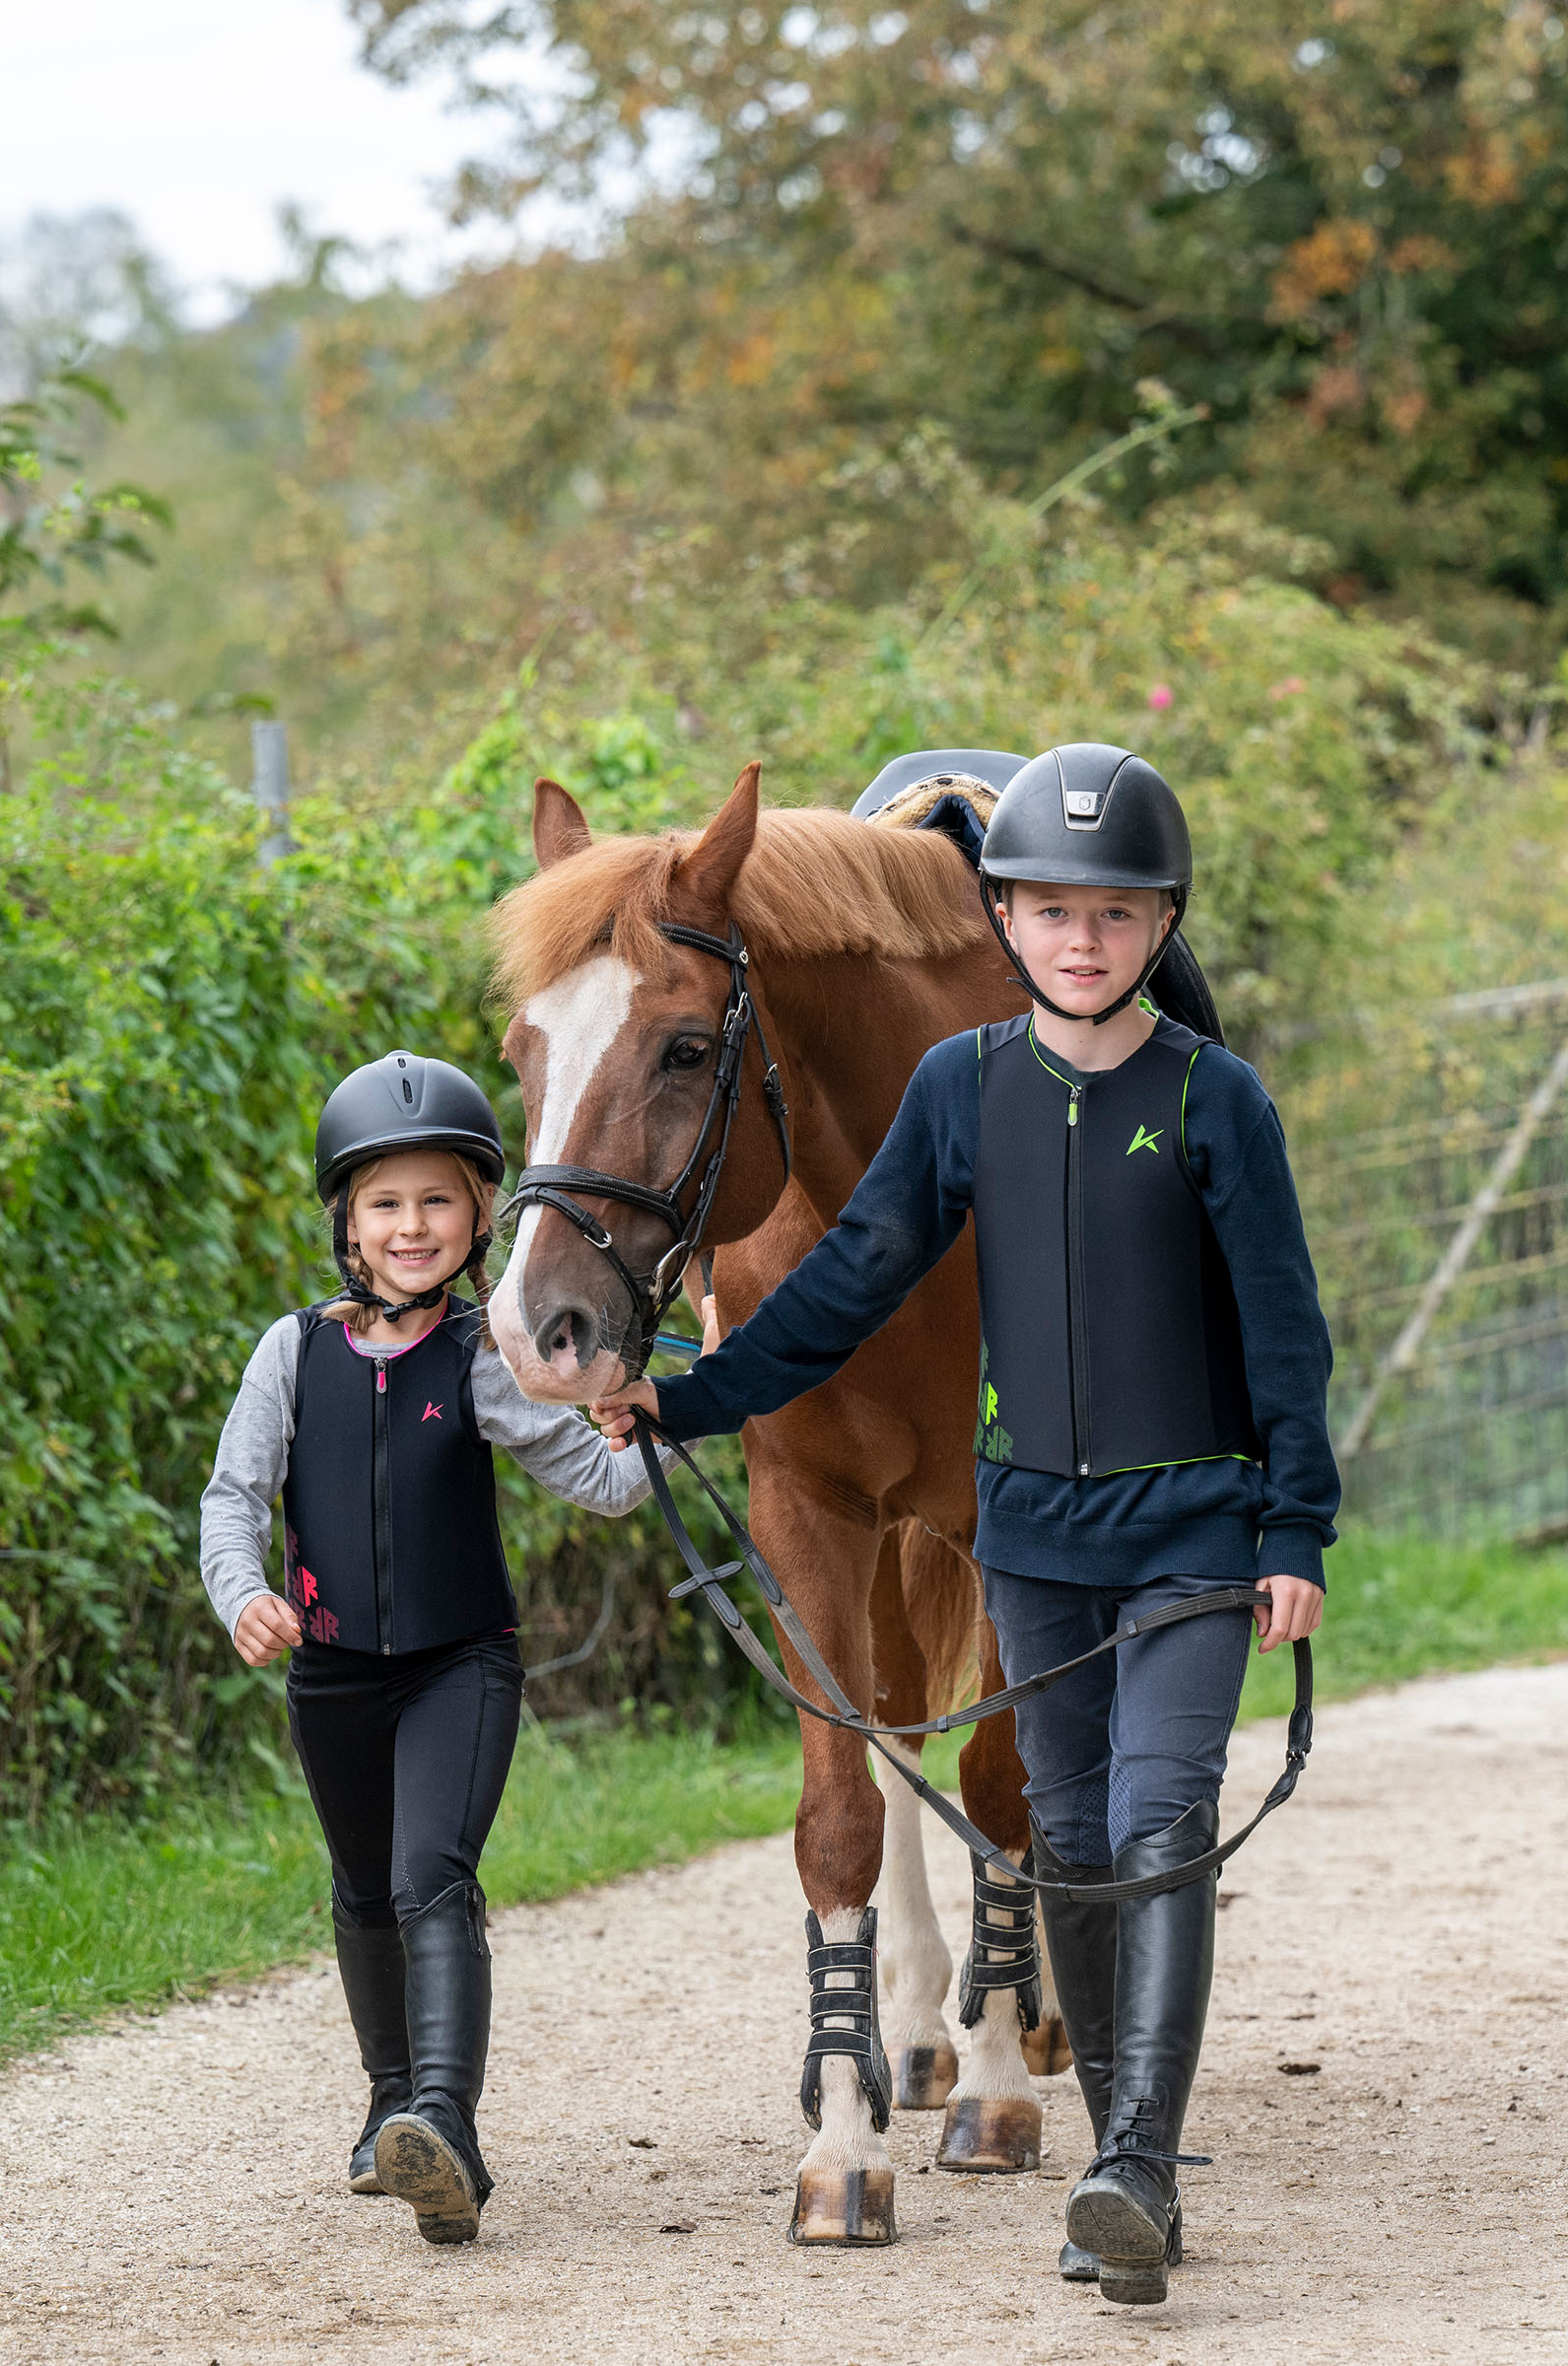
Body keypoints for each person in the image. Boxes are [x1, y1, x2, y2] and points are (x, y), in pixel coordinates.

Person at [590, 744, 1338, 2306]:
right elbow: (852, 1283)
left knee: (1159, 1819)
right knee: (1069, 1829)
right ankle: (1066, 2094)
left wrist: (1294, 1528)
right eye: (1051, 913)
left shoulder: (1218, 1100)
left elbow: (1282, 1326)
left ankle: (1134, 2155)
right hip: (1040, 1543)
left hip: (1191, 1529)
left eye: (1116, 917)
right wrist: (696, 1398)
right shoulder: (960, 1090)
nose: (1081, 940)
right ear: (1005, 920)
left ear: (1157, 928)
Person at [200, 1049, 690, 2248]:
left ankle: (447, 2126)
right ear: (346, 1225)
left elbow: (600, 1480)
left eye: (436, 1200)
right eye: (385, 1203)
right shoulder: (291, 1352)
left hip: (459, 1663)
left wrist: (677, 1419)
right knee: (363, 1891)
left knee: (432, 1876)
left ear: (479, 1217)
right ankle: (390, 2116)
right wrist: (242, 1593)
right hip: (331, 1676)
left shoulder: (481, 1354)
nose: (410, 1225)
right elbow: (231, 1495)